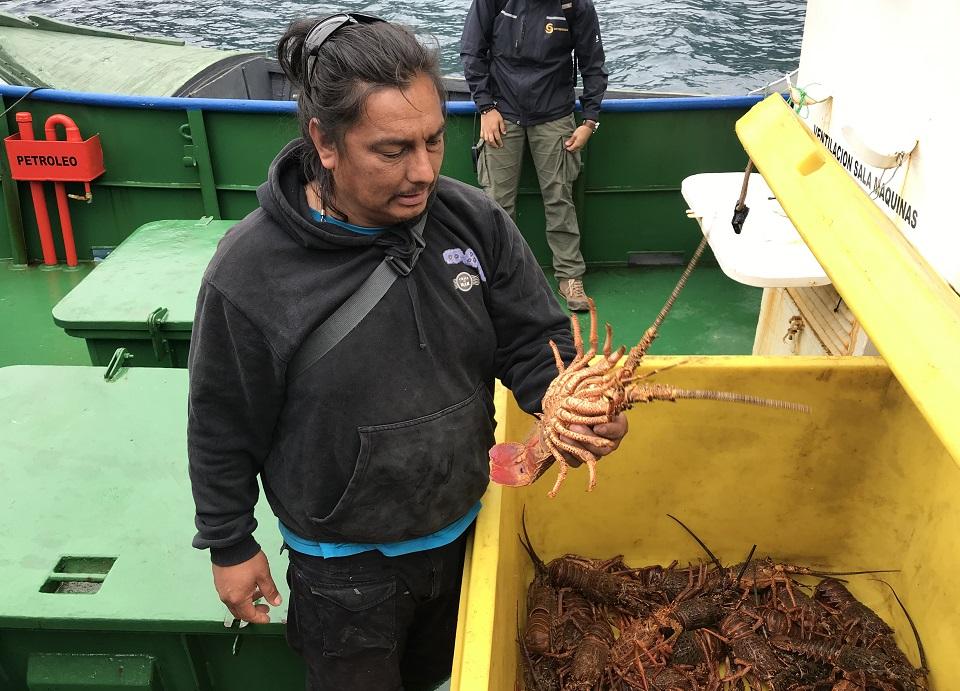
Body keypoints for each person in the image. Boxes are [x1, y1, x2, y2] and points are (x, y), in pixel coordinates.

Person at [187, 13, 627, 691]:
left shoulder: (476, 221)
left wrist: (582, 408)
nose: (422, 171)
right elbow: (221, 419)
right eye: (392, 150)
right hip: (342, 567)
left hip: (463, 532)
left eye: (432, 141)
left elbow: (540, 351)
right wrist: (230, 542)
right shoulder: (249, 271)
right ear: (324, 143)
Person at [460, 0, 609, 312]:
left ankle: (570, 274)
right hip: (501, 112)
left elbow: (592, 63)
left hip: (554, 113)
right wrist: (486, 107)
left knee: (559, 196)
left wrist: (589, 121)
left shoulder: (575, 5)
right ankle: (499, 277)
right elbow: (472, 51)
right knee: (497, 203)